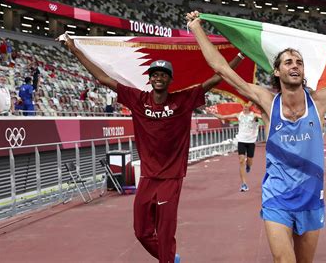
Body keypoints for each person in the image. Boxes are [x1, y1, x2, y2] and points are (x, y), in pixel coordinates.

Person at [187, 10, 326, 262]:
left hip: (311, 197)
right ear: (276, 72)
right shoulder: (266, 101)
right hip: (277, 197)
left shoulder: (321, 100)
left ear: (303, 71)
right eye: (288, 62)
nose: (294, 65)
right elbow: (221, 69)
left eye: (299, 62)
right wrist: (197, 28)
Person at [59, 33, 243, 263]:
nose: (158, 78)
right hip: (147, 176)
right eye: (154, 74)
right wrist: (75, 49)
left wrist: (239, 55)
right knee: (141, 232)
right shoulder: (137, 99)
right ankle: (170, 259)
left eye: (163, 75)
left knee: (165, 234)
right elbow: (103, 78)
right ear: (150, 79)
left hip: (171, 177)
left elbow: (215, 80)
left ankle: (166, 259)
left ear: (170, 80)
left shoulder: (182, 100)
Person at [212, 101, 261, 192]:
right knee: (241, 160)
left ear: (251, 106)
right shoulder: (238, 115)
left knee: (249, 161)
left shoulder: (254, 115)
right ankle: (244, 184)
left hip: (251, 142)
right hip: (241, 141)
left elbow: (263, 117)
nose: (245, 106)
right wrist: (212, 113)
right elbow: (223, 117)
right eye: (244, 105)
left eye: (247, 105)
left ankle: (248, 165)